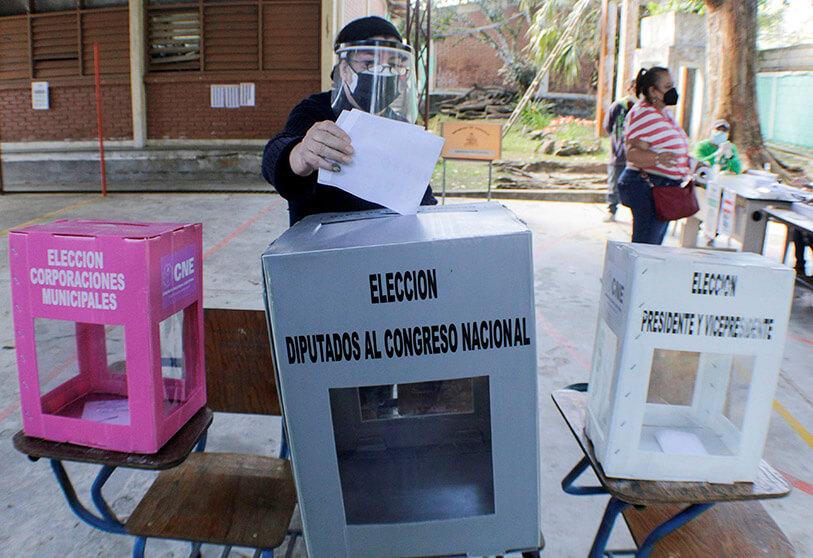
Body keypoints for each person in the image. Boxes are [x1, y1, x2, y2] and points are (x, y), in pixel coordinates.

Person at [261, 16, 437, 226]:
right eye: (369, 62)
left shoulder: (399, 125)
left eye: (393, 65)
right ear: (344, 69)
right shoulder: (315, 110)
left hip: (385, 244)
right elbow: (277, 155)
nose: (382, 72)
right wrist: (301, 154)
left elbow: (421, 196)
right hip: (322, 246)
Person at [617, 66, 697, 245]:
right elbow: (632, 153)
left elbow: (673, 149)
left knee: (653, 246)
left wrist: (694, 164)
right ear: (653, 91)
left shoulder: (663, 113)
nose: (673, 91)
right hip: (648, 186)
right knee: (646, 247)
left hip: (663, 188)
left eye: (672, 85)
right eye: (667, 87)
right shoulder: (643, 114)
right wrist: (658, 159)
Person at [603, 79, 637, 222]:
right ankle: (611, 210)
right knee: (614, 183)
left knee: (635, 187)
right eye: (634, 88)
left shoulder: (640, 108)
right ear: (629, 89)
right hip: (618, 154)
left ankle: (635, 214)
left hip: (635, 157)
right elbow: (608, 126)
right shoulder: (618, 106)